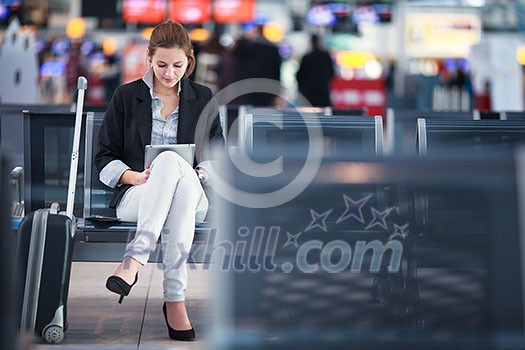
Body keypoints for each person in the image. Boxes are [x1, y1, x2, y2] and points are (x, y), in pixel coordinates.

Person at [94, 20, 223, 341]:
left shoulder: (204, 98)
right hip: (138, 195)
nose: (169, 73)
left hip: (193, 193)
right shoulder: (126, 97)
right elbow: (103, 158)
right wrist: (133, 175)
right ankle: (175, 300)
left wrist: (199, 173)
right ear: (148, 58)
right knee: (168, 166)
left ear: (189, 61)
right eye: (162, 64)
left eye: (178, 65)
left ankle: (134, 260)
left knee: (173, 165)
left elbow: (219, 157)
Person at [296, 34, 335, 107]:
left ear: (311, 43)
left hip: (309, 93)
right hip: (323, 93)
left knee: (310, 116)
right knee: (324, 115)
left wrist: (303, 89)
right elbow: (332, 73)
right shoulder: (325, 57)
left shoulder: (307, 58)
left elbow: (299, 76)